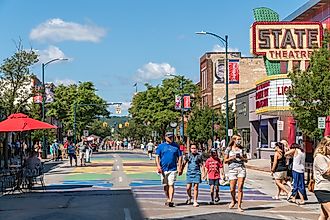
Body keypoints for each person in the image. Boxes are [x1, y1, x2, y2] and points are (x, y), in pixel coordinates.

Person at [155, 132, 182, 207]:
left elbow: (180, 157)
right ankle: (167, 198)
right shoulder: (161, 146)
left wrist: (180, 167)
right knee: (165, 185)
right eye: (169, 137)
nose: (170, 138)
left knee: (171, 184)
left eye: (171, 137)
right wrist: (158, 166)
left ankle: (170, 199)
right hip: (163, 169)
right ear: (165, 137)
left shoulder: (176, 146)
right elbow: (157, 156)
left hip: (173, 169)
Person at [224, 134, 248, 212]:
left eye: (240, 139)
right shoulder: (229, 149)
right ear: (234, 140)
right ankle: (234, 200)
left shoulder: (242, 149)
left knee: (240, 187)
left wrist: (241, 158)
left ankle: (239, 206)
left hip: (241, 168)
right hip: (232, 169)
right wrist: (232, 157)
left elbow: (246, 160)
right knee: (232, 188)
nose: (239, 141)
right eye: (238, 139)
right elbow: (225, 160)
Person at [313, 136, 330, 220]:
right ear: (324, 146)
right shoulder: (319, 157)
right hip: (323, 189)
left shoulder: (328, 157)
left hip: (328, 188)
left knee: (324, 215)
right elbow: (327, 172)